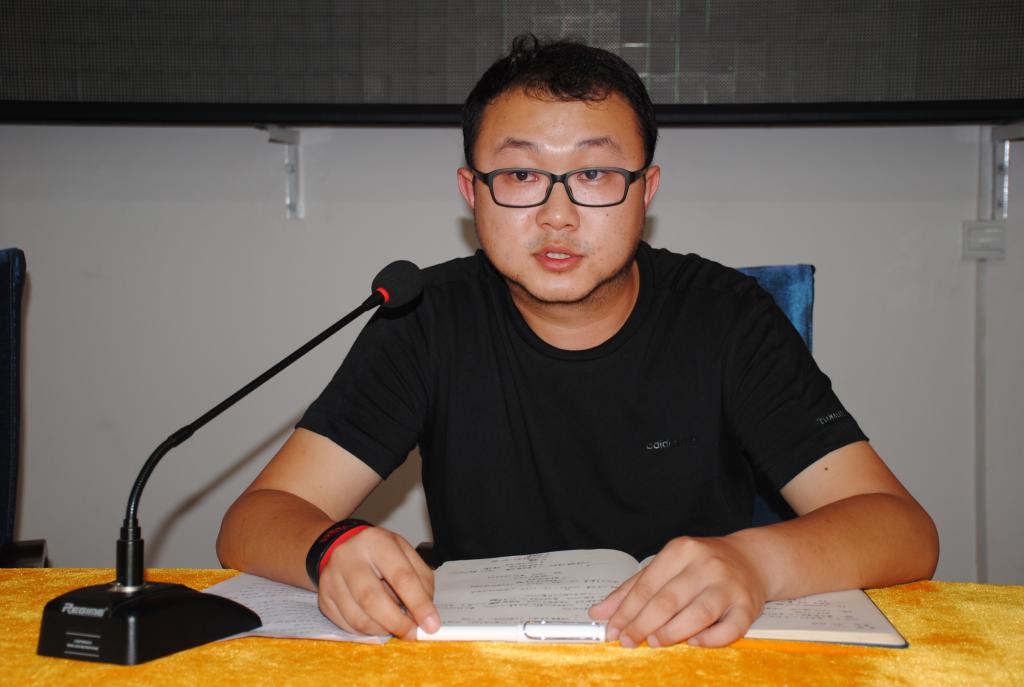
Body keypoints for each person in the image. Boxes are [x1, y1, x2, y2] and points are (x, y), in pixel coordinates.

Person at [217, 34, 938, 649]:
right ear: (472, 192)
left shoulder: (726, 316)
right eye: (520, 174)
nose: (557, 215)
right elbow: (254, 519)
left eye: (593, 174)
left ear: (646, 189)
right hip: (488, 661)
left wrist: (757, 563)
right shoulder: (426, 317)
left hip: (685, 656)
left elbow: (902, 530)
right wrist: (331, 546)